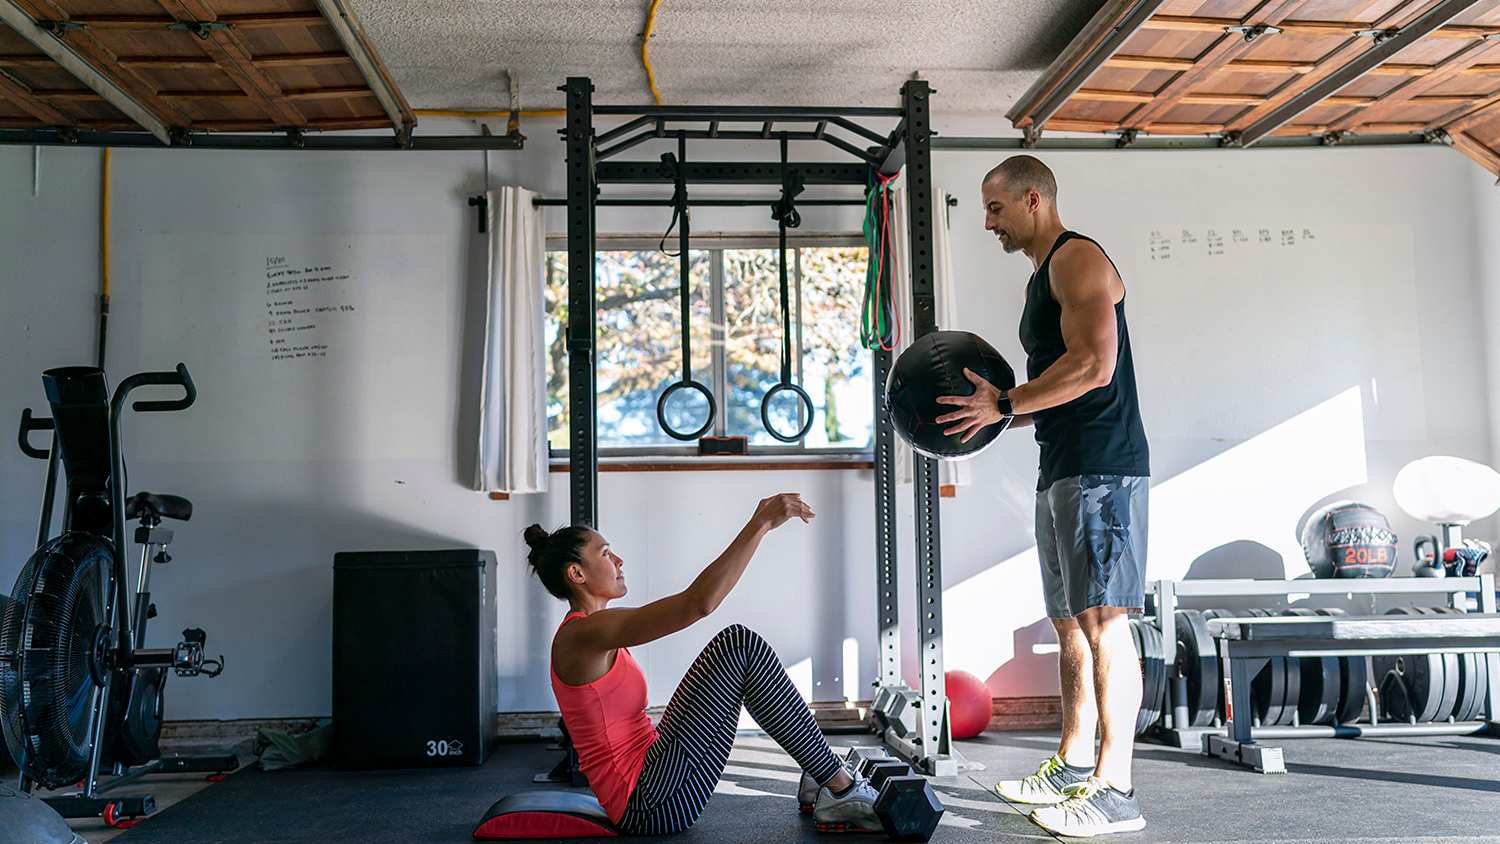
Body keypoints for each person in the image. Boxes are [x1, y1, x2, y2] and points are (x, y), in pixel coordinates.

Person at [934, 154, 1151, 837]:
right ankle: (1071, 760)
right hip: (1061, 464)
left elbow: (1095, 364)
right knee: (1069, 621)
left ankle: (1116, 789)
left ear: (1033, 200)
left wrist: (1004, 400)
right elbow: (1057, 385)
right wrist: (999, 412)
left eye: (995, 208)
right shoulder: (1041, 277)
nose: (988, 222)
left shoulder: (1076, 258)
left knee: (1105, 621)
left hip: (1103, 468)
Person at [523, 492, 881, 836]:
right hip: (649, 805)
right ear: (577, 574)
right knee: (739, 647)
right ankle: (840, 787)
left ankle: (824, 776)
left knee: (737, 647)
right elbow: (697, 604)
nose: (618, 561)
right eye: (605, 553)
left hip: (657, 778)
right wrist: (760, 524)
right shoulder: (583, 635)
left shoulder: (597, 632)